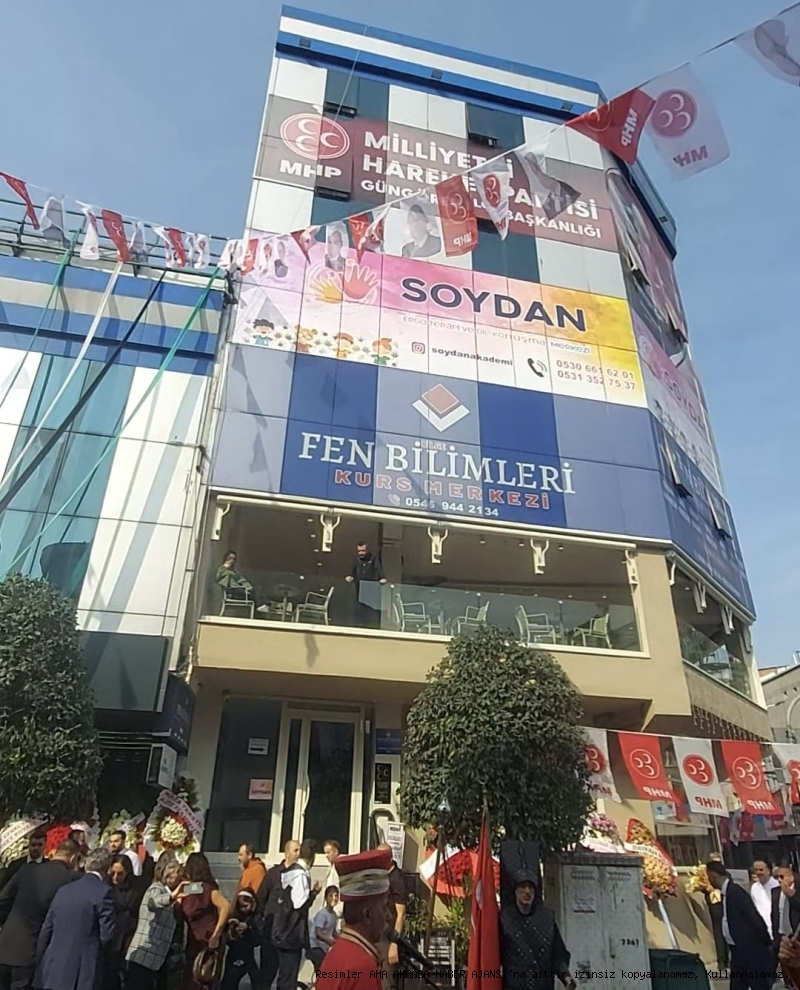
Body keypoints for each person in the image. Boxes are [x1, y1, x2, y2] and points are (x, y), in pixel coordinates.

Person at [0, 839, 80, 990]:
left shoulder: (27, 870)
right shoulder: (70, 878)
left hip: (5, 946)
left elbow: (3, 900)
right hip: (31, 952)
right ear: (73, 857)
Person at [35, 847, 117, 990]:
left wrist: (40, 961)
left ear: (85, 865)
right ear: (108, 869)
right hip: (83, 971)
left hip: (53, 968)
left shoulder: (64, 890)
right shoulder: (104, 893)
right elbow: (107, 935)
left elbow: (47, 930)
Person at [318, 848, 395, 990]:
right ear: (367, 915)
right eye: (385, 907)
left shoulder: (338, 951)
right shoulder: (362, 967)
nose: (389, 916)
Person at [500, 865, 576, 990]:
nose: (527, 891)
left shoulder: (547, 919)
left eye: (531, 887)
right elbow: (494, 957)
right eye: (522, 887)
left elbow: (558, 955)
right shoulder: (504, 919)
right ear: (515, 890)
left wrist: (566, 977)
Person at [706, 859, 775, 990]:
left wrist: (765, 941)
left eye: (709, 877)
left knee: (758, 984)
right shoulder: (726, 893)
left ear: (714, 875)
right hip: (737, 949)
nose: (709, 881)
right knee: (738, 985)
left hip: (749, 949)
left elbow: (753, 917)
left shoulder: (735, 892)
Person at [126, 855, 188, 990]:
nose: (181, 879)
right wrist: (172, 897)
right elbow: (153, 902)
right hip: (144, 956)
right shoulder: (156, 889)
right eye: (179, 875)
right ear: (169, 875)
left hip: (157, 960)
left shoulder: (169, 894)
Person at [271, 839, 320, 990]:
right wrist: (313, 894)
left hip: (282, 930)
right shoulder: (300, 875)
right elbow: (299, 904)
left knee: (284, 976)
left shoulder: (291, 870)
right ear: (312, 856)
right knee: (288, 979)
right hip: (290, 934)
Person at [179, 853, 229, 990]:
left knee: (205, 977)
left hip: (209, 939)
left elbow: (225, 907)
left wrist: (216, 935)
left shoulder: (209, 889)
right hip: (193, 939)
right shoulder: (191, 887)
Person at [256, 840, 300, 990]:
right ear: (287, 853)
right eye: (295, 850)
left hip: (290, 935)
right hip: (271, 933)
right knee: (266, 975)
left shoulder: (300, 875)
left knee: (287, 979)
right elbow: (260, 899)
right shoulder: (273, 874)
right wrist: (262, 925)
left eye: (299, 850)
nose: (298, 854)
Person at [104, 855, 139, 990]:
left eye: (120, 874)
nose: (115, 877)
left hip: (126, 938)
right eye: (113, 873)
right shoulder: (105, 887)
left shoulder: (135, 891)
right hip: (109, 936)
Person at [375, 843, 406, 983]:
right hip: (376, 937)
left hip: (388, 939)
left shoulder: (396, 878)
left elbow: (401, 914)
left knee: (386, 983)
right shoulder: (379, 875)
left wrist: (394, 944)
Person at [220, 889, 261, 990]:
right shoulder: (234, 916)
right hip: (235, 954)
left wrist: (248, 929)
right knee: (229, 982)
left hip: (249, 955)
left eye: (246, 906)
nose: (244, 909)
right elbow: (228, 940)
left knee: (258, 981)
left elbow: (258, 940)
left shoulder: (255, 918)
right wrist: (231, 928)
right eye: (241, 906)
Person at [345, 542, 386, 629]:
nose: (361, 553)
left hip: (370, 587)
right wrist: (350, 576)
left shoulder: (373, 558)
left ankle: (369, 625)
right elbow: (352, 569)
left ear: (367, 550)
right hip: (358, 587)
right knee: (358, 607)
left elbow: (378, 568)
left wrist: (382, 578)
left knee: (369, 607)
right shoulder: (356, 558)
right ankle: (358, 625)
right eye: (359, 551)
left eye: (363, 551)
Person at [772, 864, 800, 966]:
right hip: (781, 934)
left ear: (791, 877)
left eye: (782, 877)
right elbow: (774, 914)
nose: (779, 880)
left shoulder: (798, 891)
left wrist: (792, 895)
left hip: (795, 935)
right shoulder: (775, 891)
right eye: (777, 877)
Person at [705, 853, 729, 972]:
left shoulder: (726, 875)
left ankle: (727, 958)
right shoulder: (706, 876)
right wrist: (707, 889)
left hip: (724, 905)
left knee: (726, 931)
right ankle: (721, 960)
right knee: (718, 932)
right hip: (715, 907)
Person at [307, 885, 339, 972]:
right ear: (325, 898)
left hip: (325, 947)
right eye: (330, 896)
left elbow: (333, 932)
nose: (334, 898)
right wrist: (329, 941)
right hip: (316, 946)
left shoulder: (334, 915)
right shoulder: (322, 914)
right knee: (323, 968)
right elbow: (318, 933)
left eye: (336, 896)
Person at [751, 859, 779, 932]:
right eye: (756, 870)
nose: (758, 872)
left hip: (776, 928)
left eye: (761, 870)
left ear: (769, 871)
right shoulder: (754, 887)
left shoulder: (777, 885)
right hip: (761, 928)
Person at [323, 841, 344, 933]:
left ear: (336, 852)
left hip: (336, 911)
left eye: (328, 852)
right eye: (325, 853)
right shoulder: (331, 867)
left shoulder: (340, 867)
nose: (326, 855)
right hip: (329, 911)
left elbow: (340, 890)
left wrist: (337, 911)